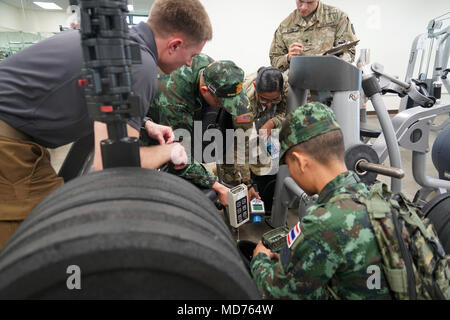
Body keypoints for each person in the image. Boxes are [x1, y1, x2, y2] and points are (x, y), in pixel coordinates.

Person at [0, 0, 212, 249]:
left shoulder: (120, 46)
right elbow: (112, 165)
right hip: (10, 143)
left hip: (20, 130)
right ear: (175, 45)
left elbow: (103, 99)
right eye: (192, 55)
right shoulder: (139, 66)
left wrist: (145, 124)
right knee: (47, 235)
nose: (190, 64)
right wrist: (170, 151)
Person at [250, 102, 392, 299]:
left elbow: (275, 293)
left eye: (288, 164)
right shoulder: (388, 201)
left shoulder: (322, 225)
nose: (289, 171)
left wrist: (260, 259)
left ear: (300, 162)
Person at [144, 53, 259, 206]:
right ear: (205, 91)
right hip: (146, 119)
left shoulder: (213, 71)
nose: (225, 108)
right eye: (222, 103)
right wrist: (217, 187)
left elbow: (242, 129)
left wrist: (247, 181)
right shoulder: (175, 102)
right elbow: (178, 156)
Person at [220, 67, 288, 211]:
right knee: (233, 172)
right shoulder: (243, 102)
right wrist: (247, 182)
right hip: (231, 119)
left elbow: (287, 111)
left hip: (257, 123)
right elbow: (241, 145)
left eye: (274, 99)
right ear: (256, 88)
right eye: (263, 99)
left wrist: (271, 123)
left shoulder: (286, 85)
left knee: (263, 160)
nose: (269, 105)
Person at [270, 0, 357, 72]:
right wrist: (288, 58)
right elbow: (274, 61)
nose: (304, 7)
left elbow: (350, 52)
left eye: (310, 2)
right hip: (299, 87)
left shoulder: (338, 17)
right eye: (300, 1)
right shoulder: (285, 25)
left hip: (331, 85)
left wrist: (332, 61)